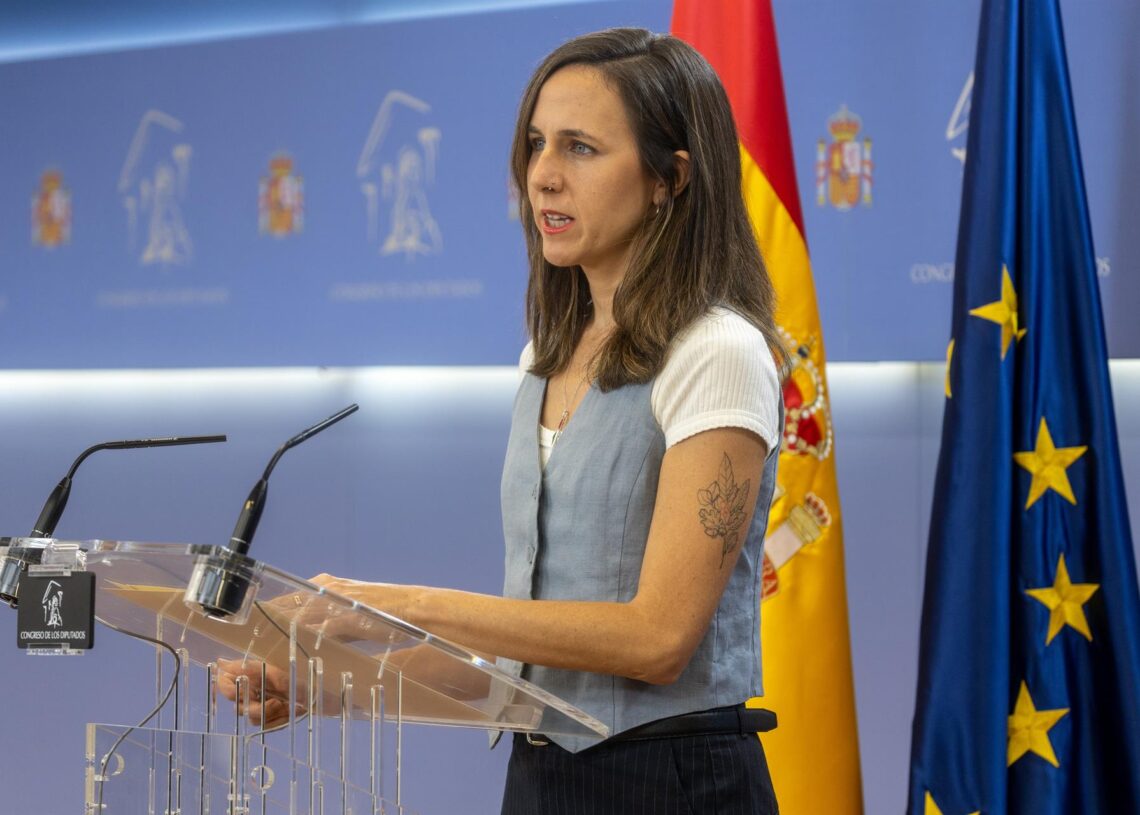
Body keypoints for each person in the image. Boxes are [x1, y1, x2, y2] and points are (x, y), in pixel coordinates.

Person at [222, 27, 786, 814]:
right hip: (541, 781)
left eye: (581, 148)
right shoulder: (543, 357)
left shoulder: (718, 352)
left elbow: (657, 640)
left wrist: (387, 606)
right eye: (535, 144)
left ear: (671, 178)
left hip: (678, 784)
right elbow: (527, 665)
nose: (544, 176)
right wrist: (324, 683)